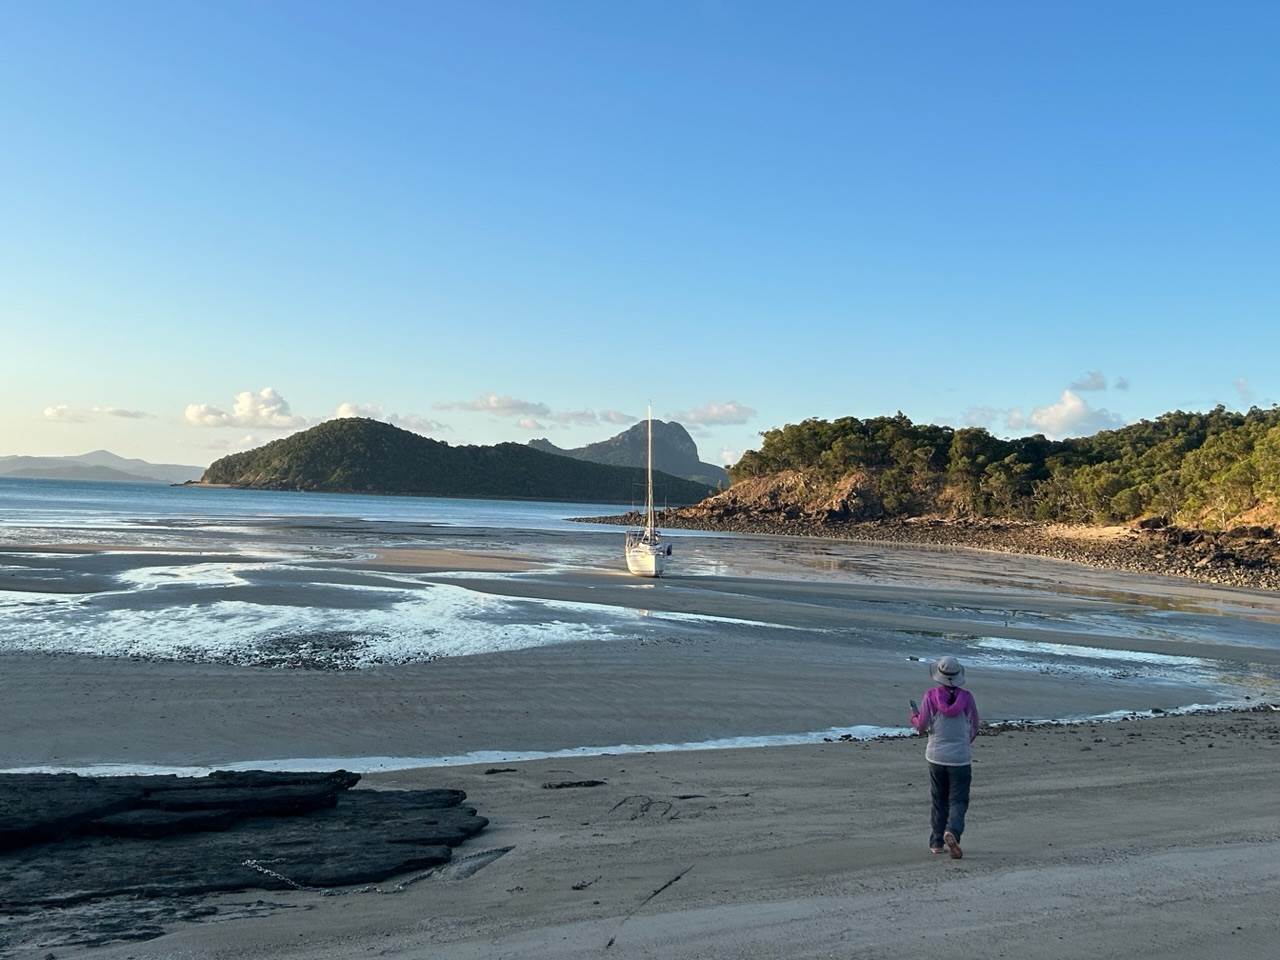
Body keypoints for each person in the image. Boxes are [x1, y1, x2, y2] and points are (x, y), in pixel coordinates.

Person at [909, 655, 979, 859]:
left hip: (936, 755)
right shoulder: (967, 697)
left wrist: (914, 718)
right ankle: (953, 831)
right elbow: (974, 726)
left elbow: (922, 726)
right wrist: (965, 742)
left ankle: (937, 841)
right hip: (960, 757)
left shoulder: (931, 695)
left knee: (939, 799)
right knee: (958, 800)